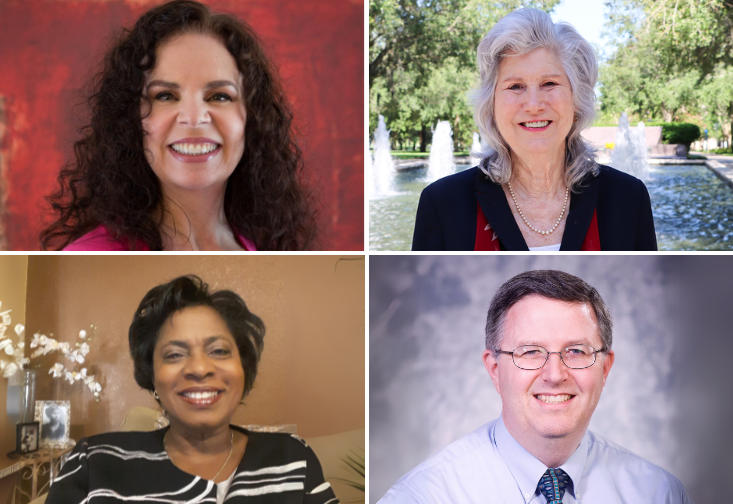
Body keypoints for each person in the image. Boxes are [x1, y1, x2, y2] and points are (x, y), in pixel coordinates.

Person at [379, 270, 690, 503]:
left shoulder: (658, 493)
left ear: (605, 368)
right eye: (530, 352)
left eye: (576, 351)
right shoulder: (423, 496)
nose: (555, 374)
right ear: (495, 369)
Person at [41, 0, 317, 251]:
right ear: (131, 120)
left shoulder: (265, 247)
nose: (195, 119)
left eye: (219, 96)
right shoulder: (92, 255)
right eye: (165, 96)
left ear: (252, 118)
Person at [47, 275, 338, 504]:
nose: (199, 368)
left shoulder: (292, 458)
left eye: (220, 351)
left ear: (243, 370)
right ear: (152, 376)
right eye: (174, 355)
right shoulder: (95, 461)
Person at [412, 8, 657, 251]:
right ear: (492, 104)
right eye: (515, 86)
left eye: (549, 83)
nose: (533, 105)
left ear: (576, 100)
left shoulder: (628, 198)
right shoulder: (442, 204)